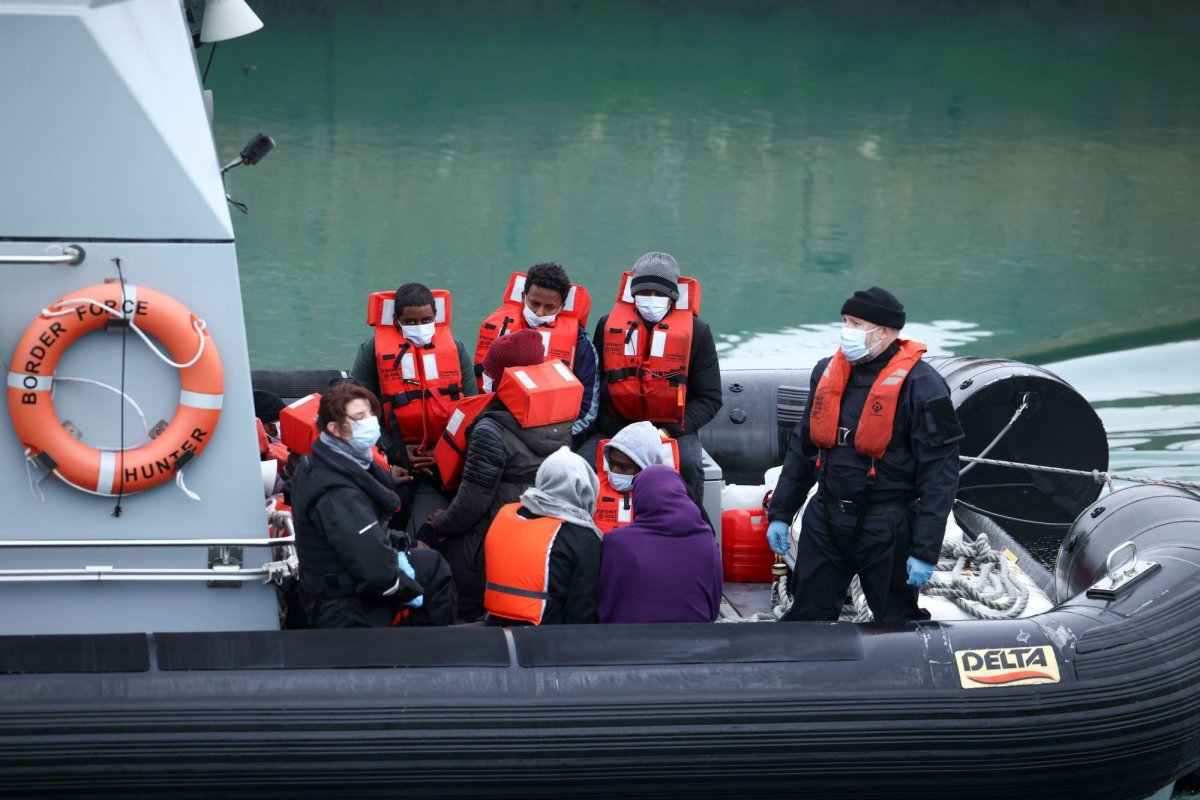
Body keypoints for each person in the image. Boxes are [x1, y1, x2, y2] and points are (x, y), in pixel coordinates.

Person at [765, 287, 963, 623]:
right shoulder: (826, 372)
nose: (846, 331)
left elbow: (940, 474)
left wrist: (925, 549)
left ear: (884, 331)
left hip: (887, 524)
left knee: (897, 621)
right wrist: (782, 511)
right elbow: (802, 446)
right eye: (845, 321)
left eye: (856, 323)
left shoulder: (925, 386)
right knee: (807, 616)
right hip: (826, 515)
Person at [426, 328, 573, 621]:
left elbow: (474, 500)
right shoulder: (562, 416)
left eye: (489, 373)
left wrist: (442, 524)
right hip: (544, 530)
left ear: (502, 378)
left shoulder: (490, 429)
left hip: (493, 538)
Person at [288, 381, 456, 628]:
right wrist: (408, 588)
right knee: (433, 573)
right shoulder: (337, 494)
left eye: (369, 414)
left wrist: (402, 541)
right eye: (359, 417)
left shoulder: (317, 463)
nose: (369, 422)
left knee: (430, 561)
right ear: (334, 428)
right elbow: (377, 572)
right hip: (344, 603)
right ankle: (432, 653)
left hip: (342, 579)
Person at [583, 252, 722, 510]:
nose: (652, 300)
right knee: (583, 461)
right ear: (633, 294)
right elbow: (596, 391)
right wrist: (618, 431)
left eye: (660, 295)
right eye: (645, 293)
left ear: (673, 297)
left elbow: (710, 398)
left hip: (673, 428)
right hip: (618, 424)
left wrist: (669, 432)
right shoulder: (607, 326)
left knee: (690, 466)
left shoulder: (698, 333)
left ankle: (690, 529)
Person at [349, 282, 478, 479]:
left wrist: (445, 450)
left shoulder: (455, 348)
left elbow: (472, 407)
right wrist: (394, 451)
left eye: (426, 320)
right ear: (396, 319)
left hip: (447, 449)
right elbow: (356, 410)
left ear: (435, 316)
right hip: (392, 452)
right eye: (410, 322)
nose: (419, 327)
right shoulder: (371, 350)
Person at [474, 263, 599, 443]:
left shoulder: (581, 347)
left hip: (556, 439)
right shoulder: (498, 330)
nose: (539, 312)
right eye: (534, 303)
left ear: (562, 306)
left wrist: (552, 439)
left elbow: (587, 410)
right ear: (524, 296)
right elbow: (476, 389)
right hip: (498, 430)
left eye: (549, 307)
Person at [483, 447, 603, 626]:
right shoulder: (584, 539)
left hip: (495, 630)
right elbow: (581, 613)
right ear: (585, 488)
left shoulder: (506, 514)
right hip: (547, 641)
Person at [597, 465, 722, 623]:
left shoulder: (616, 542)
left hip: (628, 641)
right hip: (695, 640)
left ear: (639, 497)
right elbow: (714, 605)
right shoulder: (707, 541)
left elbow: (606, 603)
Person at [593, 420, 672, 534]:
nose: (614, 470)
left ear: (645, 468)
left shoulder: (670, 498)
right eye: (611, 463)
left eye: (623, 467)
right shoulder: (592, 489)